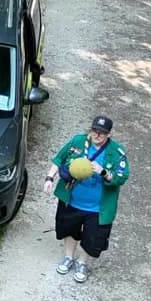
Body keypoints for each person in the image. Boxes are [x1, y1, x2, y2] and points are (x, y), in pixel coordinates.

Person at [44, 115, 129, 283]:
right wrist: (49, 178)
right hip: (72, 200)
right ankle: (68, 257)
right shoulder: (78, 141)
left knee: (93, 238)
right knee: (69, 229)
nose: (97, 135)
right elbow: (59, 159)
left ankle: (82, 262)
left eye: (102, 133)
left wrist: (103, 172)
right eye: (94, 131)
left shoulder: (117, 152)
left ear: (109, 134)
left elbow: (122, 177)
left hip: (98, 208)